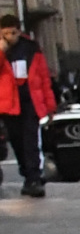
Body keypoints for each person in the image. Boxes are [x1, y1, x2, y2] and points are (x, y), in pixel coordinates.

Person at [0, 10, 55, 197]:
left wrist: (50, 106)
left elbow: (43, 77)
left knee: (31, 140)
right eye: (6, 33)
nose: (10, 37)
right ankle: (27, 174)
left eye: (13, 33)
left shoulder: (31, 48)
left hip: (30, 100)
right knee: (17, 141)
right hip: (9, 104)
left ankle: (34, 177)